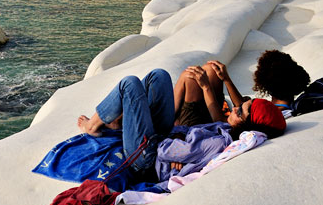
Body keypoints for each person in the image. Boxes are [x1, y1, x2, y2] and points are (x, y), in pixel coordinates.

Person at [77, 50, 309, 174]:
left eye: (240, 110)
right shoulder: (228, 129)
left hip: (147, 154)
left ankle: (93, 126)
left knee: (129, 83)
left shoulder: (217, 141)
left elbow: (170, 151)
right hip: (164, 135)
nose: (235, 106)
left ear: (244, 124)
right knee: (159, 75)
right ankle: (124, 119)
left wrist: (179, 146)